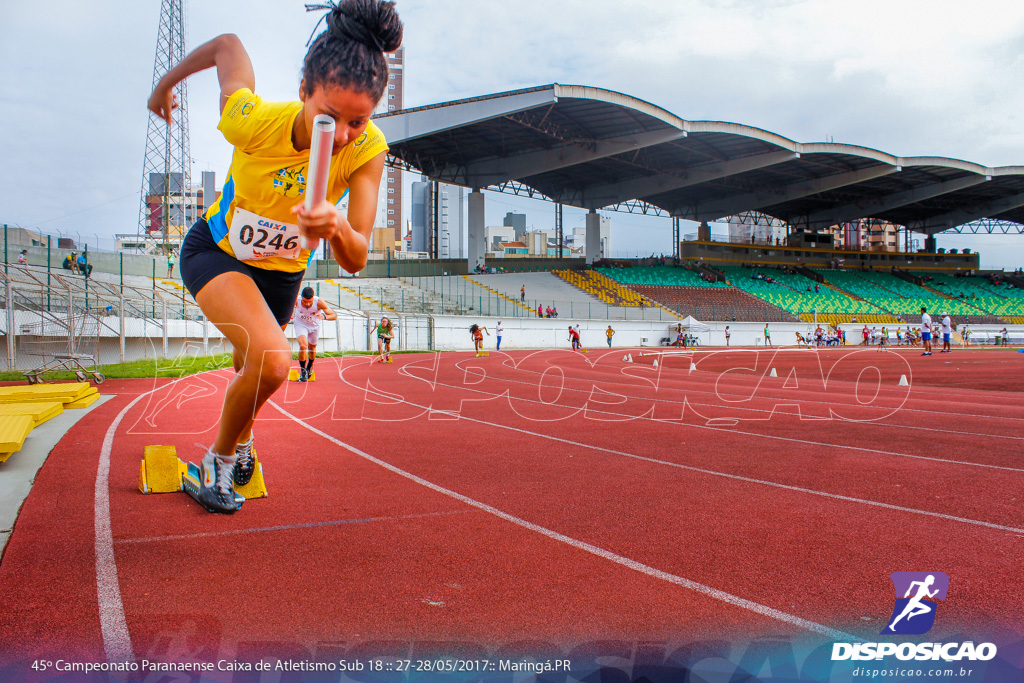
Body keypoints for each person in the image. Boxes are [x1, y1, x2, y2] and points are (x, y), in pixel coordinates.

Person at [148, 0, 403, 513]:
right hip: (218, 254)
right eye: (329, 117)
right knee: (274, 361)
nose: (344, 134)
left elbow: (356, 258)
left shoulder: (367, 149)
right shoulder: (253, 121)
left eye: (359, 120)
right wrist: (165, 85)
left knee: (253, 369)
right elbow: (228, 46)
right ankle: (218, 462)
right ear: (305, 91)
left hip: (281, 278)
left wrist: (335, 225)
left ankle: (242, 442)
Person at [293, 285, 337, 379]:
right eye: (305, 301)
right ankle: (303, 371)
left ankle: (309, 366)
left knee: (312, 347)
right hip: (301, 324)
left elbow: (334, 315)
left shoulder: (319, 302)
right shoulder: (296, 300)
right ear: (302, 298)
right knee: (303, 345)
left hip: (314, 326)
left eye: (310, 302)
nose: (307, 304)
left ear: (313, 297)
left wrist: (325, 317)